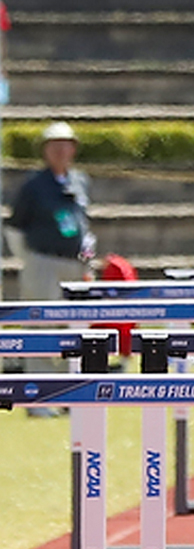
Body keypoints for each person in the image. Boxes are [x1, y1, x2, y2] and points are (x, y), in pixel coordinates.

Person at [6, 122, 97, 416]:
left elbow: (82, 221)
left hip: (75, 264)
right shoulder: (34, 186)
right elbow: (15, 227)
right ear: (45, 151)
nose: (60, 150)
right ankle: (39, 399)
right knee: (41, 326)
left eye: (66, 144)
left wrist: (88, 253)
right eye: (54, 145)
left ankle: (71, 393)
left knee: (75, 330)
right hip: (43, 262)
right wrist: (32, 259)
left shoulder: (79, 181)